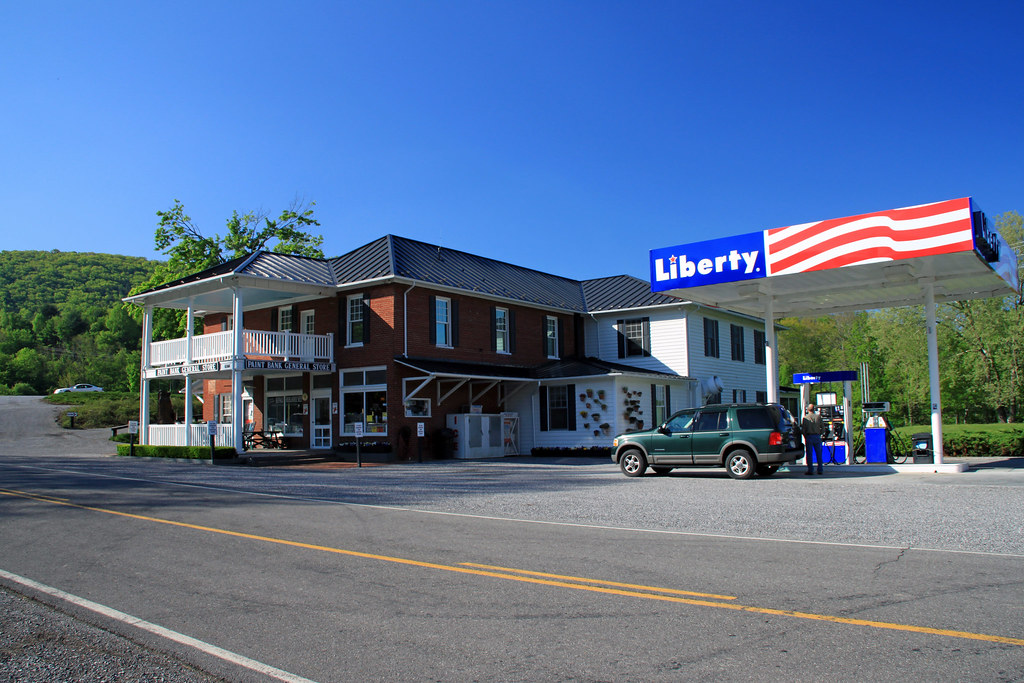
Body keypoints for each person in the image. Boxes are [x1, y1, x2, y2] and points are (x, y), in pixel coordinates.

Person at [801, 403, 825, 475]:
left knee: (809, 454)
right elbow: (823, 428)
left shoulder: (805, 418)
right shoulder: (818, 417)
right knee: (819, 453)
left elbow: (803, 430)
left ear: (808, 409)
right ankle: (820, 469)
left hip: (809, 436)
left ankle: (810, 469)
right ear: (814, 409)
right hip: (817, 436)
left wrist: (805, 436)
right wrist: (820, 433)